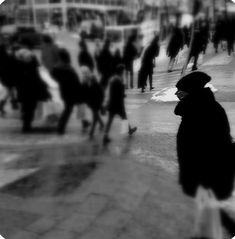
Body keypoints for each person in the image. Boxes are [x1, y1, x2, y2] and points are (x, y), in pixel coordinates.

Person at [174, 71, 235, 238]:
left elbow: (212, 145)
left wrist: (198, 172)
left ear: (192, 93)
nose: (177, 94)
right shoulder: (199, 108)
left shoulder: (202, 111)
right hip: (201, 169)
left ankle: (215, 231)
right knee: (205, 201)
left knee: (206, 201)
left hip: (206, 170)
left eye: (181, 92)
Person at [15, 48, 51, 133]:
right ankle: (26, 125)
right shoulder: (31, 67)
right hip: (31, 91)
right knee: (29, 108)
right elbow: (38, 78)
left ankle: (26, 124)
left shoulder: (20, 66)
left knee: (27, 108)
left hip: (25, 91)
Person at [51, 48, 83, 134]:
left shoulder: (56, 68)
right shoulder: (69, 69)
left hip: (63, 90)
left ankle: (61, 126)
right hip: (71, 91)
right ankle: (60, 127)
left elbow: (53, 77)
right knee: (68, 109)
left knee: (68, 108)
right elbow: (76, 81)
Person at [103, 64, 137, 144]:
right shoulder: (118, 80)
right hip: (117, 104)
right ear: (121, 71)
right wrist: (123, 94)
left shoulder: (113, 79)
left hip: (112, 103)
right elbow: (119, 93)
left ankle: (105, 136)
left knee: (111, 120)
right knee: (123, 117)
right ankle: (128, 130)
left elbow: (112, 92)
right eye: (123, 71)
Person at [81, 66, 104, 139]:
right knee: (96, 115)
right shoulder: (95, 86)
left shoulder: (93, 86)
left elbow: (91, 95)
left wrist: (89, 102)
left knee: (95, 117)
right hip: (95, 104)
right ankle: (101, 124)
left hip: (95, 104)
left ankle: (91, 132)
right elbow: (100, 95)